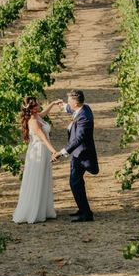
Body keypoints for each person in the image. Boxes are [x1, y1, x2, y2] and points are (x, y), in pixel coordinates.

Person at [12, 96, 62, 224]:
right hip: (39, 152)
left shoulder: (37, 116)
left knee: (43, 178)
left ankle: (43, 208)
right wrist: (54, 152)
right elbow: (44, 139)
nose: (39, 105)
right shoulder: (33, 121)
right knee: (37, 179)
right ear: (32, 109)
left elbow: (44, 112)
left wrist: (53, 103)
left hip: (41, 150)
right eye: (37, 105)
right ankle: (35, 210)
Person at [52, 89, 99, 222]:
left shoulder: (84, 118)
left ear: (76, 103)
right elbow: (73, 111)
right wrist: (64, 107)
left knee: (75, 182)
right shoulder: (84, 108)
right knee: (77, 182)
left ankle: (86, 214)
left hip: (83, 155)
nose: (68, 103)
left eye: (69, 102)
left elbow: (78, 139)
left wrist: (61, 153)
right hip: (78, 154)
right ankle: (83, 209)